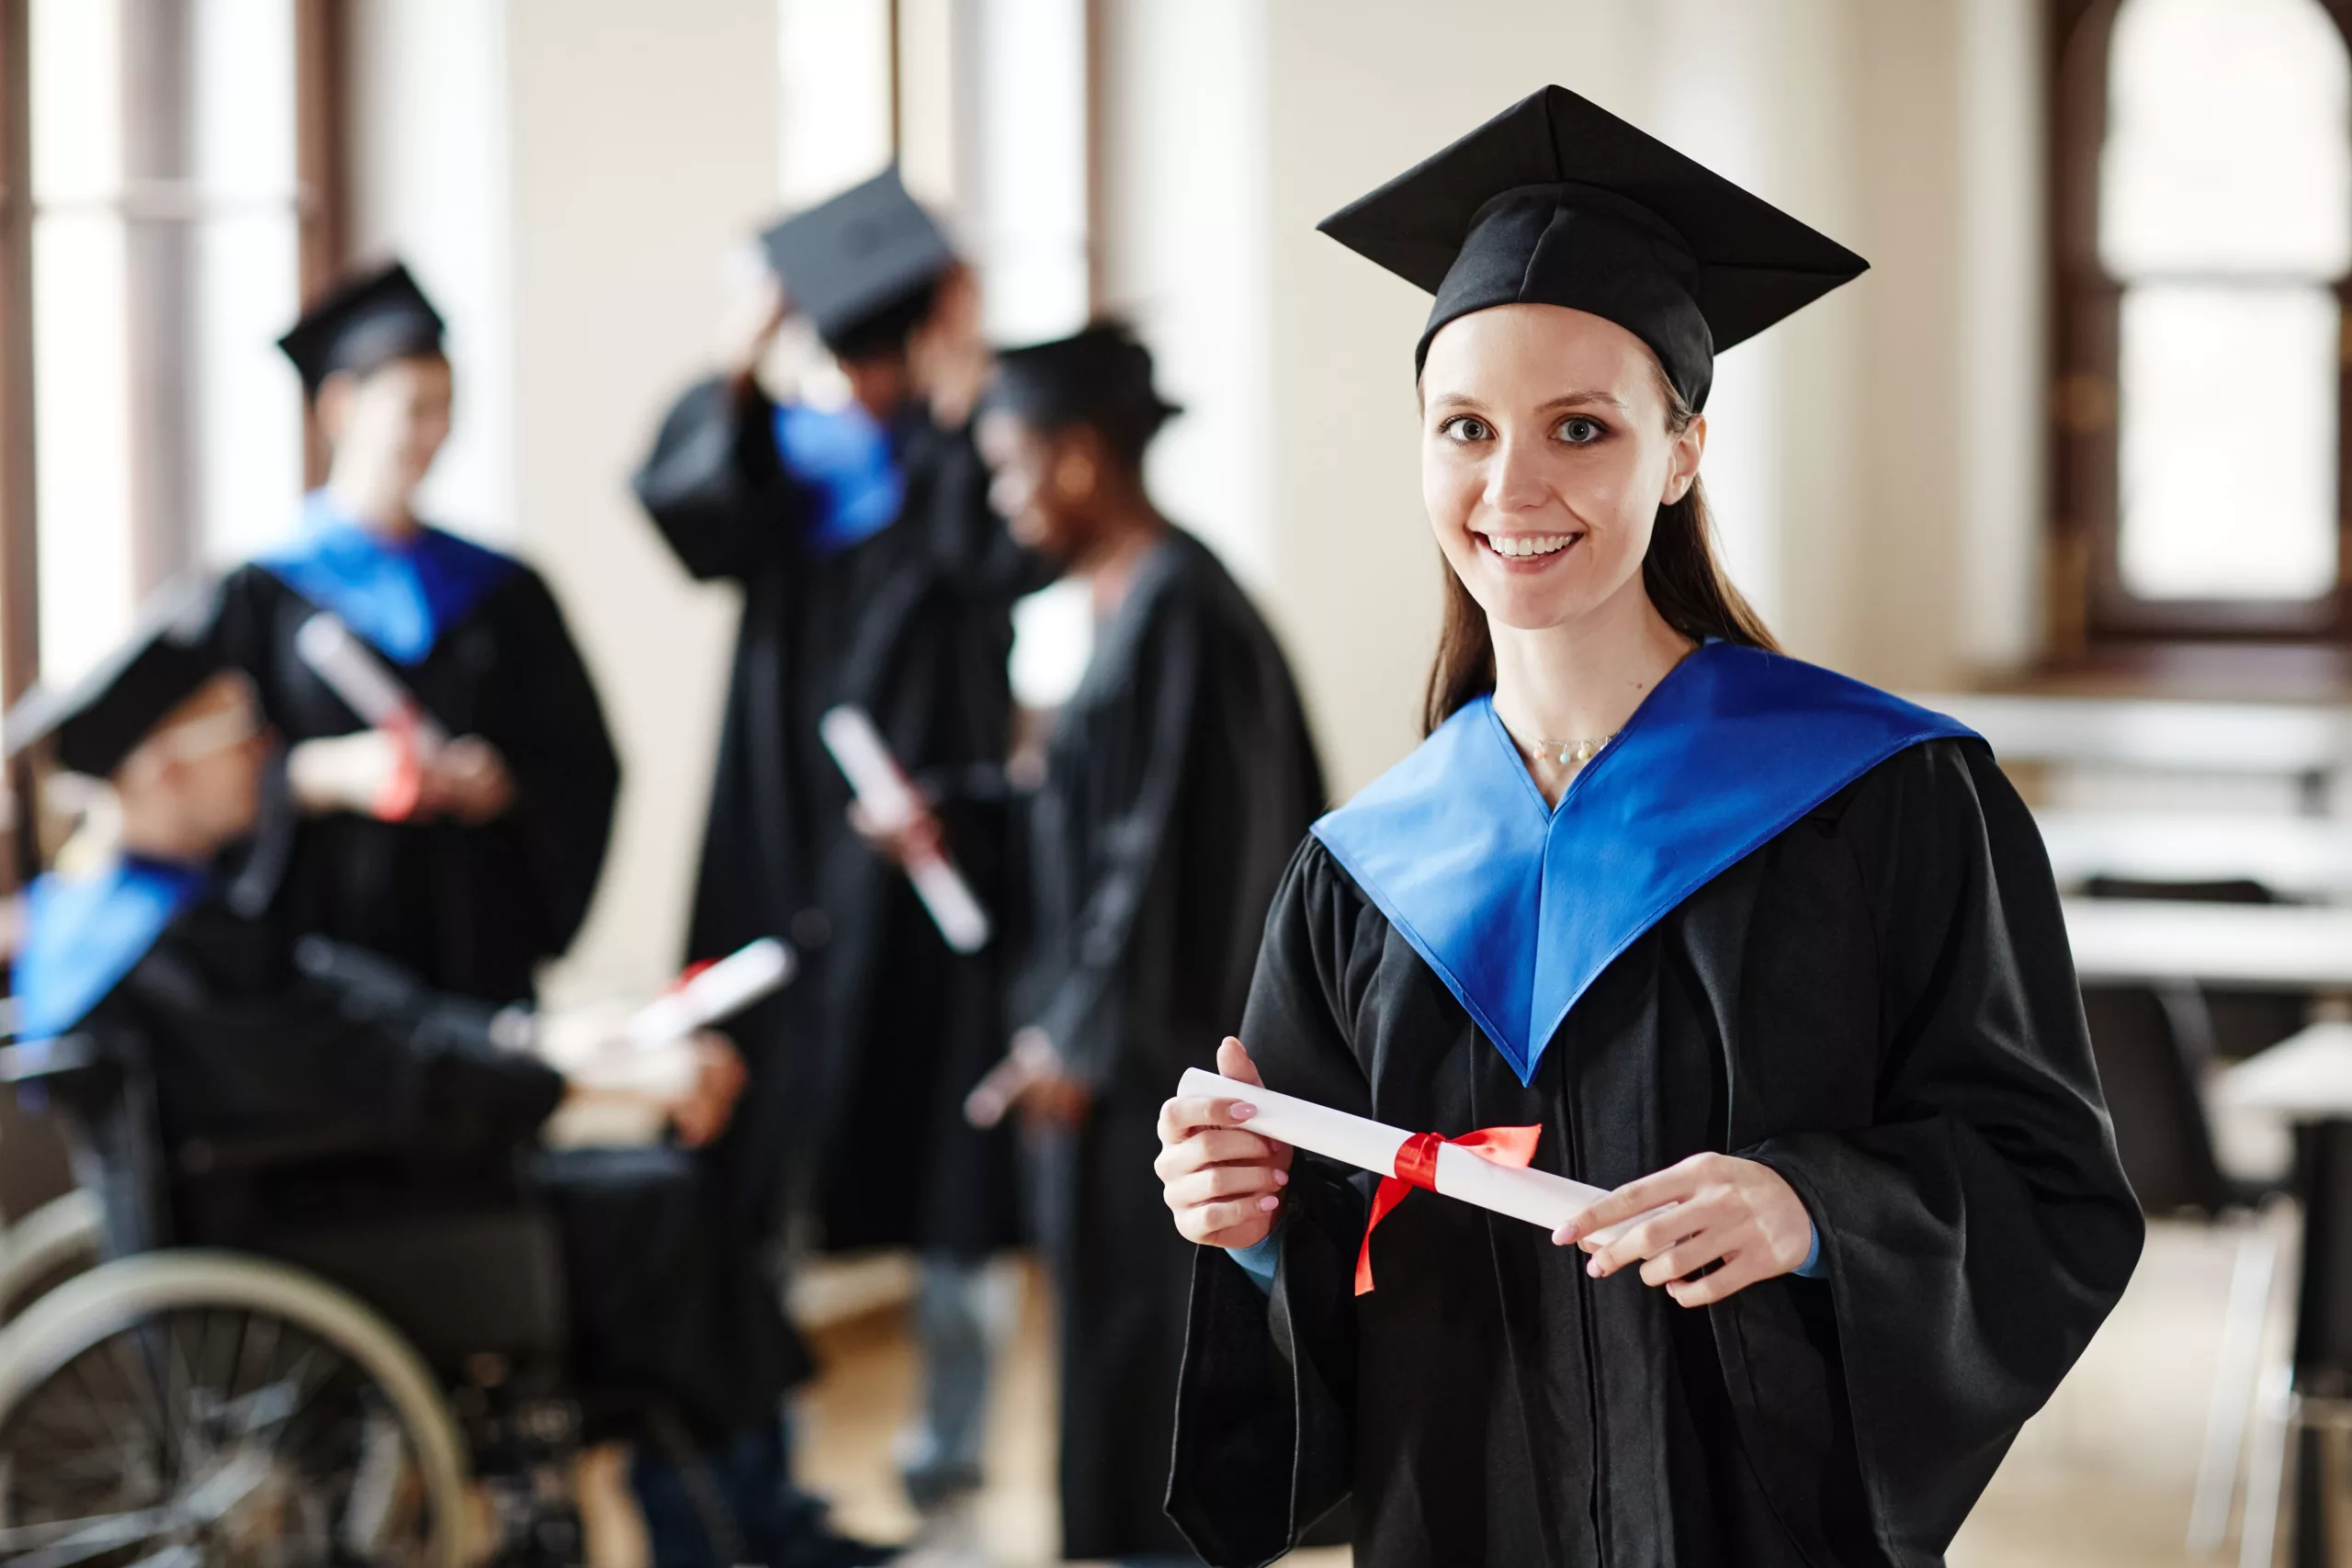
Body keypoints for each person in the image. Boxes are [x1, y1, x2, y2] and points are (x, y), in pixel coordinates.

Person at [1152, 85, 2143, 1568]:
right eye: (1465, 428)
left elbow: (2049, 1181)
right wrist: (1240, 1228)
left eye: (1582, 427)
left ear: (1680, 451)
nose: (1513, 485)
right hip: (1460, 1516)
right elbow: (1328, 1264)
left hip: (1764, 1516)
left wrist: (1816, 1205)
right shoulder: (1365, 870)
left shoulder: (1884, 797)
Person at [1, 579, 894, 1566]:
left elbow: (359, 1014)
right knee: (665, 1206)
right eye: (241, 732)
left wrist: (541, 1040)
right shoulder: (167, 946)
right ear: (162, 768)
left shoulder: (114, 909)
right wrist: (592, 1081)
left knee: (641, 1202)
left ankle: (738, 1525)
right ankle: (744, 1535)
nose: (268, 754)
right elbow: (379, 1072)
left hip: (302, 1202)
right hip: (327, 1227)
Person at [875, 321, 1323, 1563]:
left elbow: (1169, 861)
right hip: (1117, 1064)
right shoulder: (1125, 609)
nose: (1005, 498)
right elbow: (1079, 825)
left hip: (1162, 1078)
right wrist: (952, 813)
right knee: (1108, 1371)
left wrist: (1072, 1035)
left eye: (1013, 466)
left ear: (1076, 460)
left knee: (1156, 1372)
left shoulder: (1186, 611)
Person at [632, 167, 1038, 1521]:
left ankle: (951, 1464)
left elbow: (1003, 557)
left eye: (889, 340)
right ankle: (768, 1476)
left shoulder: (966, 455)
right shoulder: (775, 467)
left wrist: (970, 379)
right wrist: (743, 347)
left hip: (930, 866)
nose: (865, 375)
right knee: (758, 1149)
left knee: (951, 1156)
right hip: (781, 847)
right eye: (847, 343)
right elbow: (687, 499)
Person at [215, 261, 618, 1009]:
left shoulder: (505, 590)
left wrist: (503, 782)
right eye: (413, 408)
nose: (435, 434)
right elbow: (206, 782)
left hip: (474, 944)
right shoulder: (260, 595)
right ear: (340, 407)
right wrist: (326, 775)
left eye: (448, 408)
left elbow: (580, 762)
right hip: (322, 957)